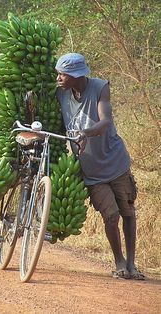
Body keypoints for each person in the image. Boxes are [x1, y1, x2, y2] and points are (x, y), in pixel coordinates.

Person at [55, 52, 145, 280]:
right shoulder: (60, 93)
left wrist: (86, 132)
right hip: (91, 170)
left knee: (128, 212)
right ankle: (119, 262)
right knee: (111, 216)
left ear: (76, 76)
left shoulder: (99, 87)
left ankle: (132, 263)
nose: (59, 78)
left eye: (63, 75)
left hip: (115, 162)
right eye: (58, 73)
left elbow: (106, 121)